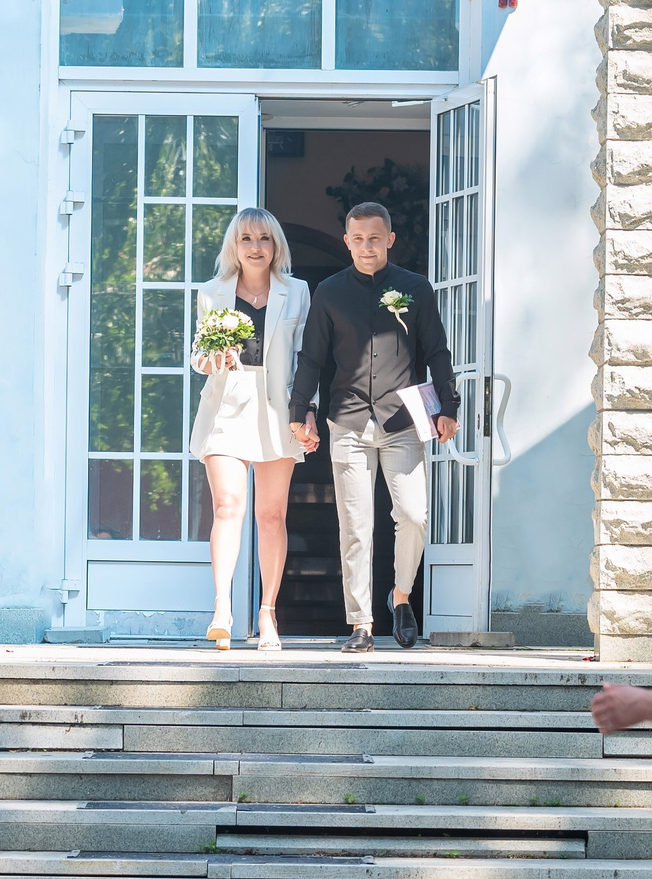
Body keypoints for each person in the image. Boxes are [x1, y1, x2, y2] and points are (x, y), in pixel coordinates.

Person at [287, 201, 458, 651]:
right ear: (347, 241)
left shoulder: (415, 288)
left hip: (402, 420)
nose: (367, 246)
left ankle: (400, 596)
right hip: (347, 421)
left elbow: (437, 351)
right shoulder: (329, 292)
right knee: (356, 527)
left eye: (375, 238)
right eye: (359, 239)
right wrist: (299, 410)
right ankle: (361, 623)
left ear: (389, 239)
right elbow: (312, 356)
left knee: (413, 516)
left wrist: (449, 405)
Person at [189, 207, 314, 650]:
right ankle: (222, 608)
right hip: (225, 406)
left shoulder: (297, 292)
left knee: (271, 515)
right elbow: (197, 357)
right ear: (234, 245)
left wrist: (308, 410)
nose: (255, 247)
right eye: (246, 239)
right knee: (227, 507)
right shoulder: (212, 292)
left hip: (278, 409)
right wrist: (213, 359)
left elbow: (306, 359)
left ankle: (267, 613)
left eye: (264, 238)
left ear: (275, 245)